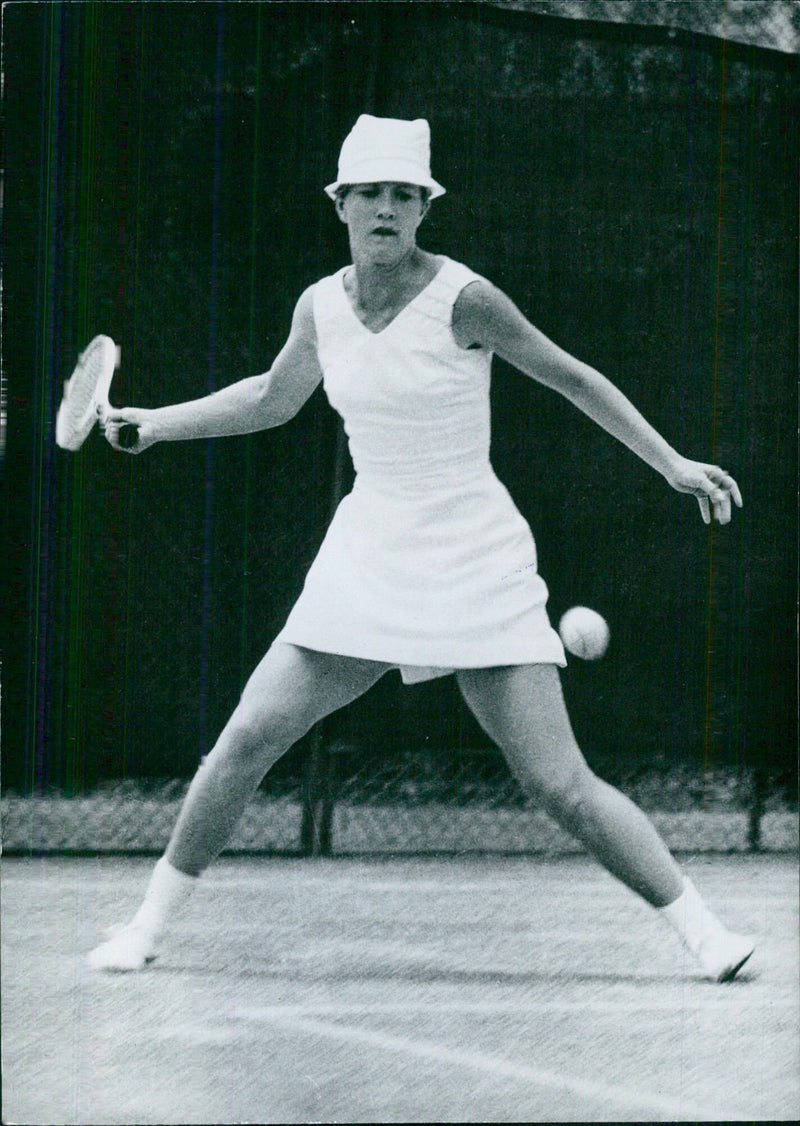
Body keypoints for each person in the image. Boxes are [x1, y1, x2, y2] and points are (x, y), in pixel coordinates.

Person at [89, 115, 753, 980]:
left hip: (476, 556)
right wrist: (153, 425)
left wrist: (669, 463)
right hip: (368, 555)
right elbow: (271, 398)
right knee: (247, 738)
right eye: (370, 193)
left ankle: (707, 934)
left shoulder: (467, 299)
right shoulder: (320, 305)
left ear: (424, 209)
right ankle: (145, 927)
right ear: (341, 205)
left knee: (559, 785)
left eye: (405, 194)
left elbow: (571, 375)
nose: (387, 209)